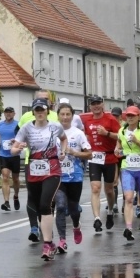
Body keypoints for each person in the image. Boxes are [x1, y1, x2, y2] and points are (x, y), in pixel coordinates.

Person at [11, 98, 68, 261]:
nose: (40, 113)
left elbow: (63, 139)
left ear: (47, 111)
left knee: (45, 204)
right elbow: (13, 149)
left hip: (53, 169)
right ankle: (48, 240)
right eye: (37, 110)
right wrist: (18, 148)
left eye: (42, 109)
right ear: (33, 112)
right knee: (37, 206)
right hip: (34, 170)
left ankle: (47, 243)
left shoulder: (55, 126)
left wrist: (62, 152)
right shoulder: (26, 128)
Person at [19, 89, 59, 242]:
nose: (42, 103)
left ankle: (46, 225)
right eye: (40, 100)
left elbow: (62, 136)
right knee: (32, 196)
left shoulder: (55, 117)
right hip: (32, 162)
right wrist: (18, 146)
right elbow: (19, 136)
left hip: (51, 163)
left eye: (45, 100)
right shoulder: (26, 117)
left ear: (49, 103)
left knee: (48, 199)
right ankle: (34, 228)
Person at [80, 95, 122, 232]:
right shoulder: (87, 121)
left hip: (109, 157)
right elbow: (86, 137)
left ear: (103, 105)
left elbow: (121, 136)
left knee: (109, 190)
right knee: (95, 188)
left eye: (98, 103)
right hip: (94, 158)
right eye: (93, 104)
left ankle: (110, 211)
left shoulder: (110, 119)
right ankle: (97, 218)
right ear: (90, 106)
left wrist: (107, 133)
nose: (96, 106)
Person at [55, 102, 91, 252]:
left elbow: (89, 153)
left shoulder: (78, 133)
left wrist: (74, 152)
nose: (65, 117)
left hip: (75, 175)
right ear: (57, 116)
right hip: (57, 175)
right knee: (61, 206)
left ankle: (76, 226)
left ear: (72, 116)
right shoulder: (52, 132)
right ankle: (62, 240)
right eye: (62, 114)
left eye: (67, 114)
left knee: (73, 209)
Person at [116, 106, 140, 241]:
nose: (130, 117)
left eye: (133, 115)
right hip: (127, 168)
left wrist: (137, 141)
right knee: (129, 198)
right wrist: (117, 150)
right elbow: (119, 145)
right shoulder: (122, 130)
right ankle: (129, 228)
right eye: (128, 115)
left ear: (139, 117)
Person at [0, 106, 21, 212]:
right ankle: (6, 202)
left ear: (14, 114)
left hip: (14, 155)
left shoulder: (17, 124)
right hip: (3, 155)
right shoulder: (0, 125)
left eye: (10, 112)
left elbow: (21, 136)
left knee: (15, 179)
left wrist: (15, 140)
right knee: (5, 177)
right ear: (4, 114)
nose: (8, 114)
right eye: (6, 112)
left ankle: (16, 196)